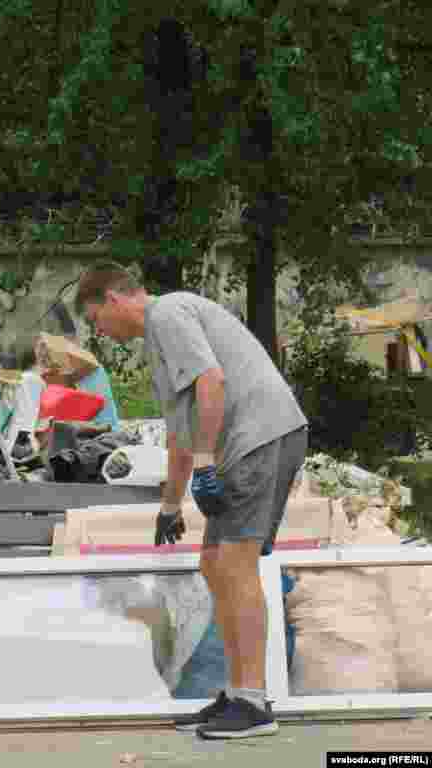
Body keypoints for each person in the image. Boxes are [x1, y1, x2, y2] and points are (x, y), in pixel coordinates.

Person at [74, 261, 308, 740]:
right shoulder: (160, 349)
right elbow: (181, 435)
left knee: (234, 563)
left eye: (96, 320)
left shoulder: (169, 313)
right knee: (213, 563)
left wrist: (205, 463)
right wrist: (170, 505)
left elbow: (213, 383)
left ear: (115, 300)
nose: (100, 332)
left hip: (259, 437)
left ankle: (253, 701)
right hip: (247, 443)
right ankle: (238, 691)